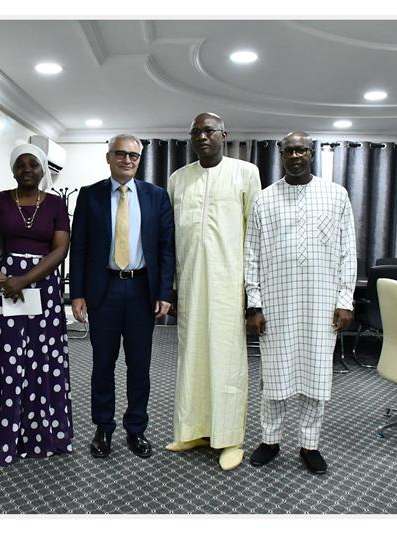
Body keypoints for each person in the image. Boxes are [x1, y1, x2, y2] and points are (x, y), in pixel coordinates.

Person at [245, 131, 356, 475]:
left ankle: (310, 444)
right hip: (277, 305)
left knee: (316, 378)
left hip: (321, 305)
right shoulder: (263, 199)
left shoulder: (336, 196)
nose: (295, 155)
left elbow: (348, 252)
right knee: (274, 378)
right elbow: (251, 255)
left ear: (312, 154)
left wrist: (344, 300)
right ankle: (270, 440)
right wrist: (254, 304)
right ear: (280, 154)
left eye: (301, 150)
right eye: (289, 150)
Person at [0, 143, 73, 466]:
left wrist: (23, 281)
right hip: (2, 293)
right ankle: (0, 433)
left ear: (43, 170)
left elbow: (60, 249)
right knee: (5, 359)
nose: (27, 170)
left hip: (41, 291)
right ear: (13, 170)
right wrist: (1, 278)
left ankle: (41, 433)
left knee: (42, 360)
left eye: (34, 165)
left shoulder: (55, 204)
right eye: (21, 165)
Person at [164, 112, 262, 471]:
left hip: (228, 285)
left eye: (210, 131)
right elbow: (171, 239)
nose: (202, 136)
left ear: (224, 134)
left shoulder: (246, 173)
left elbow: (255, 237)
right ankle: (194, 430)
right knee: (191, 358)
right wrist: (171, 287)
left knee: (227, 362)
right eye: (196, 132)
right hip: (189, 283)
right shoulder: (178, 179)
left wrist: (253, 294)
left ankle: (230, 437)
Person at [70, 134, 175, 459]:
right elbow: (80, 247)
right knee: (102, 364)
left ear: (139, 160)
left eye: (133, 155)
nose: (127, 160)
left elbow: (166, 248)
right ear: (109, 157)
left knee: (139, 366)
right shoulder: (90, 196)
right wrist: (77, 293)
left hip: (142, 289)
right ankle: (103, 428)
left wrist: (164, 292)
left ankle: (136, 429)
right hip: (104, 290)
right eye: (120, 154)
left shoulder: (156, 196)